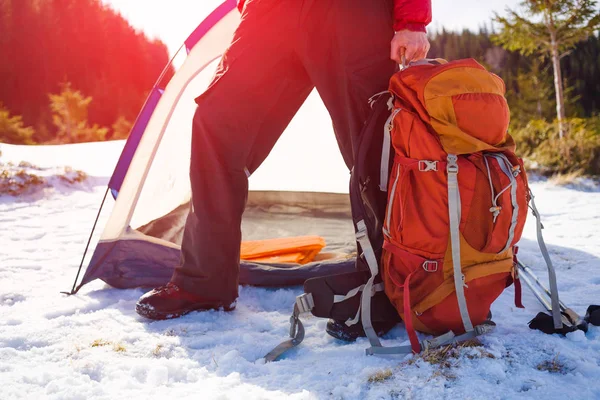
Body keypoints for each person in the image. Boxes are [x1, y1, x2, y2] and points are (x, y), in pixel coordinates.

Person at [136, 0, 431, 338]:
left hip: (352, 10)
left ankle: (388, 289)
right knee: (216, 121)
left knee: (374, 139)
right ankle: (205, 283)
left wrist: (412, 19)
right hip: (272, 10)